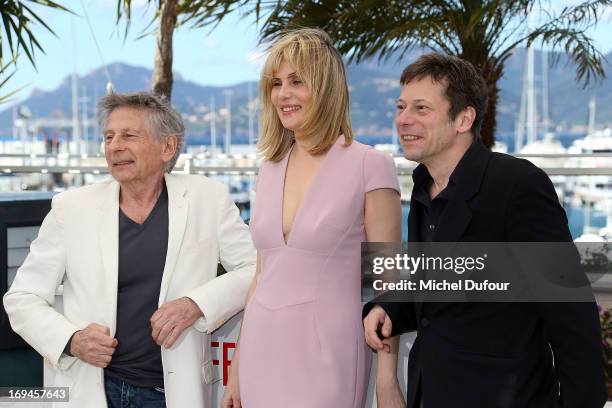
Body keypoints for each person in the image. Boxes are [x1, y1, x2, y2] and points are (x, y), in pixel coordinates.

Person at [363, 53, 607, 407]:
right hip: (431, 394)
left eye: (421, 108)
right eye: (401, 107)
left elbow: (569, 310)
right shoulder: (422, 188)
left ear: (464, 118)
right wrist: (392, 309)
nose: (403, 120)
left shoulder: (517, 184)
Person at [3, 92, 256, 408]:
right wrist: (71, 340)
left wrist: (196, 304)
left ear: (167, 147)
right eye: (109, 137)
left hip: (176, 392)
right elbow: (21, 298)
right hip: (95, 390)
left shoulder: (209, 198)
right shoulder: (71, 208)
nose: (115, 146)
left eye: (129, 135)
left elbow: (255, 270)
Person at [220, 28, 402, 408]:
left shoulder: (371, 165)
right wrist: (236, 366)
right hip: (260, 349)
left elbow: (388, 281)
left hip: (328, 352)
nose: (282, 94)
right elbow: (261, 275)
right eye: (275, 83)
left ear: (325, 86)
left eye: (296, 81)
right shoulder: (269, 168)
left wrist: (387, 381)